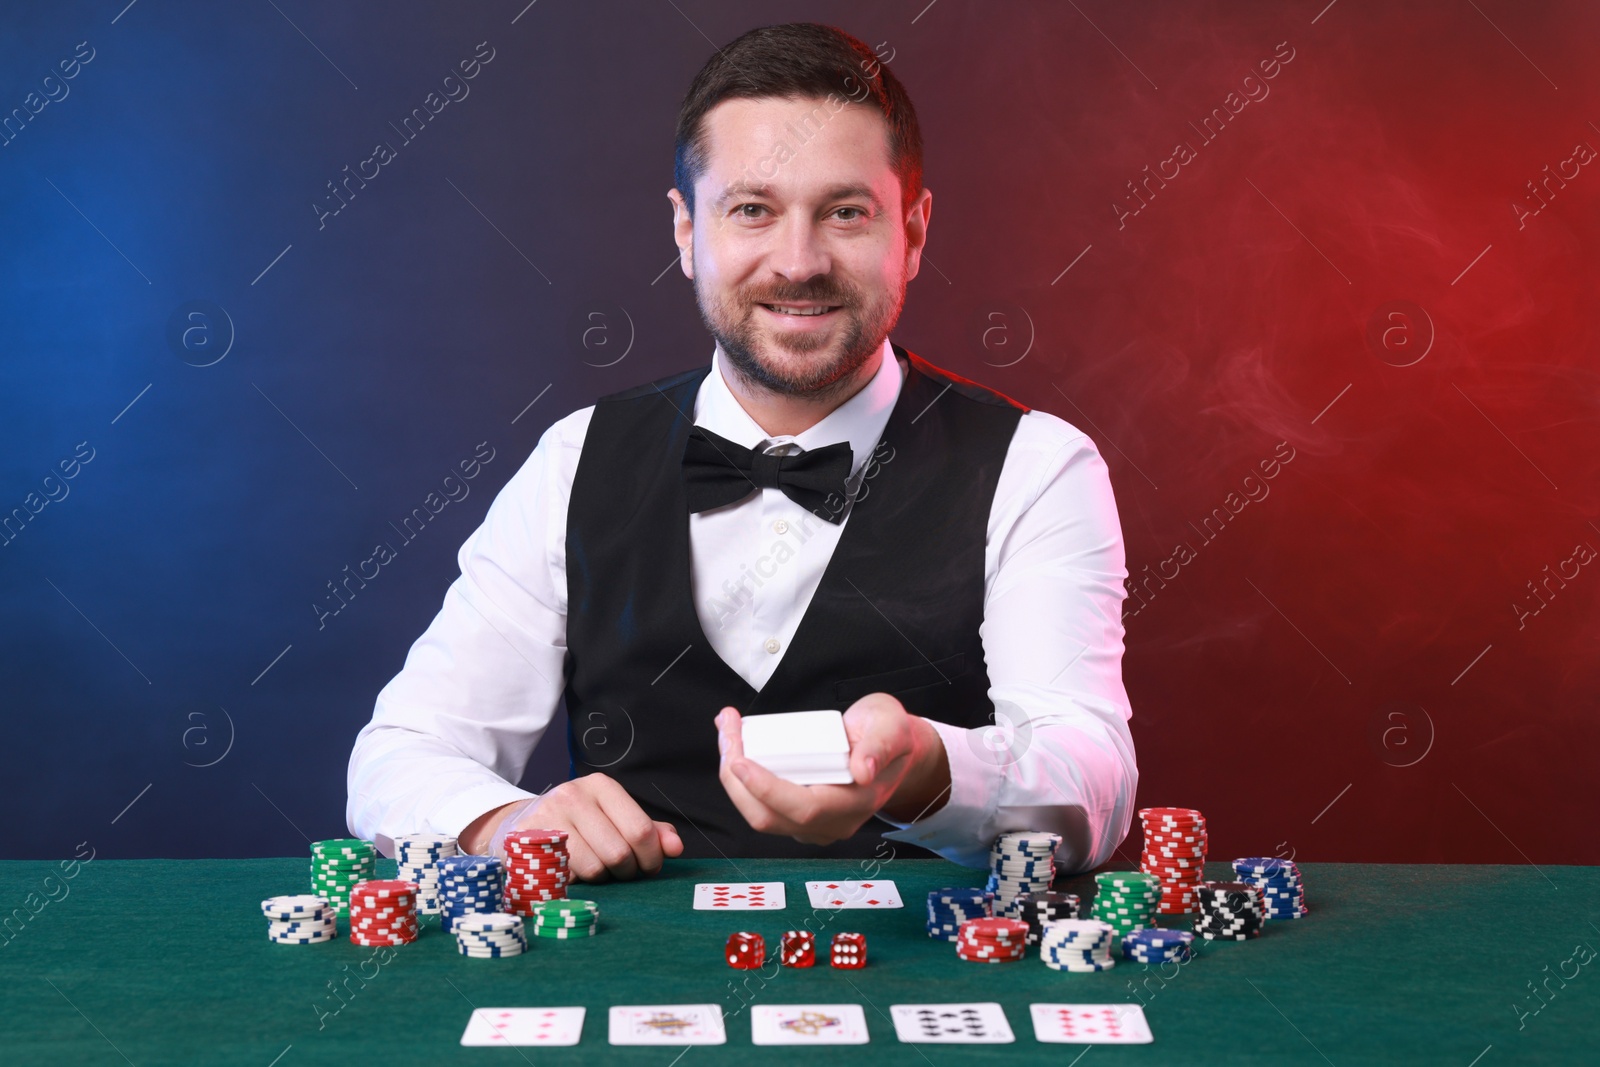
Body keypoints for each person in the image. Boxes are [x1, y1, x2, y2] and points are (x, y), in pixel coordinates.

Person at [347, 22, 1137, 882]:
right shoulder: (575, 460)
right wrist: (507, 819)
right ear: (687, 232)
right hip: (631, 992)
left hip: (920, 980)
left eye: (845, 212)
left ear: (912, 231)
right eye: (752, 209)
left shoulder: (1037, 466)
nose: (798, 263)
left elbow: (1095, 786)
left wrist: (932, 769)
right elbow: (397, 755)